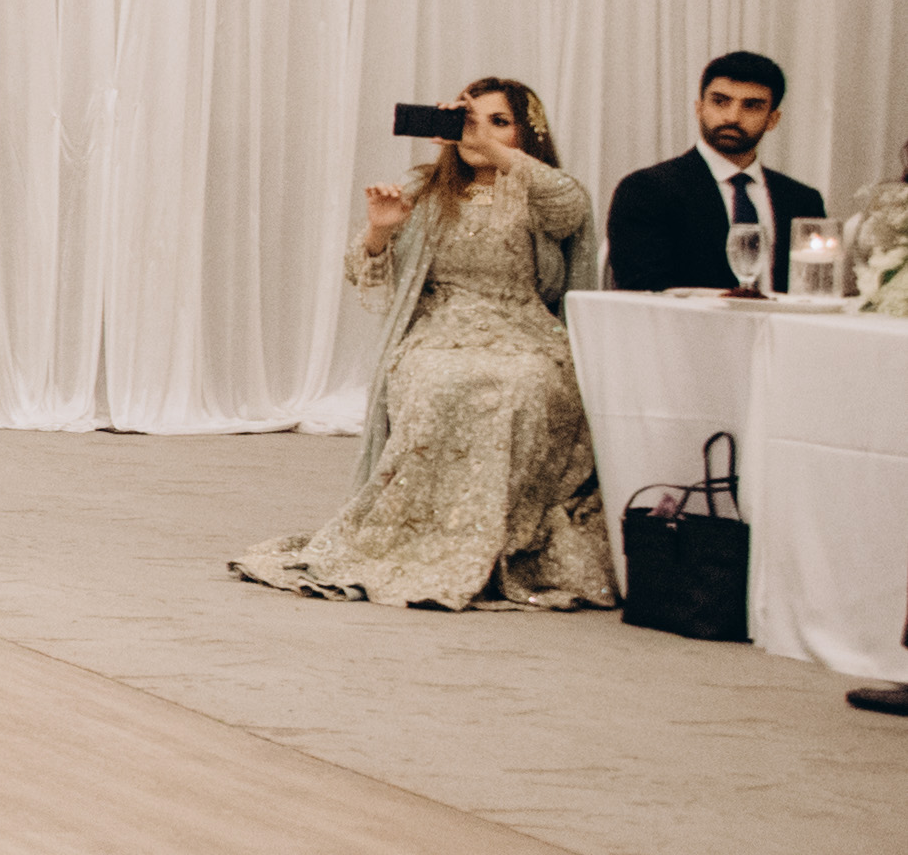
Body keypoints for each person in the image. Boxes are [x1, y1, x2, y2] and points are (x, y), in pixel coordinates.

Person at [232, 76, 615, 609]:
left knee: (524, 385)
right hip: (439, 329)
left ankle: (504, 540)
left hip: (525, 330)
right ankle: (423, 534)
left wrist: (492, 150)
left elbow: (571, 207)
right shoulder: (426, 188)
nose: (479, 132)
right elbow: (363, 272)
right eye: (470, 120)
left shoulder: (540, 189)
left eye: (499, 121)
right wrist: (380, 231)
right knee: (440, 381)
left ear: (528, 133)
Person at [604, 53, 826, 296]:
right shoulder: (647, 190)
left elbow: (815, 291)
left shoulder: (802, 200)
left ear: (773, 119)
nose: (733, 117)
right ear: (699, 108)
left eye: (751, 106)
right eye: (720, 102)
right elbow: (642, 290)